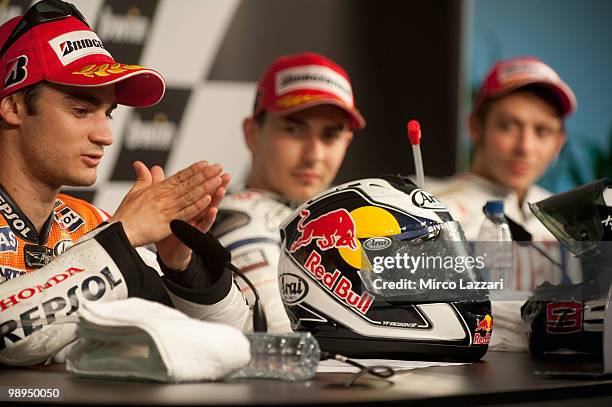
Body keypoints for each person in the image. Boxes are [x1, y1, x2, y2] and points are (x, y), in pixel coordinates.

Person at [0, 0, 248, 366]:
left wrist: (183, 267)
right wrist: (120, 236)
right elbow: (7, 337)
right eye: (81, 110)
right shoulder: (112, 233)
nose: (106, 136)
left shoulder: (90, 225)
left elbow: (229, 344)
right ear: (14, 106)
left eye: (107, 114)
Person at [211, 52, 365, 332]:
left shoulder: (356, 219)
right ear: (252, 133)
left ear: (347, 141)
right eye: (294, 130)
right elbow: (283, 334)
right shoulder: (239, 219)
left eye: (330, 135)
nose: (314, 155)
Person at [429, 56, 579, 290]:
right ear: (475, 127)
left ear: (558, 143)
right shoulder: (428, 204)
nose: (525, 147)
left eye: (542, 131)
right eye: (508, 126)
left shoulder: (574, 222)